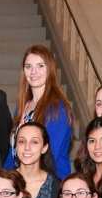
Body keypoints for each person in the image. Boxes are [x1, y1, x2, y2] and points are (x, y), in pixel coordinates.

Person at [4, 46, 73, 178]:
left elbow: (49, 157)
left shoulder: (58, 109)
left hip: (49, 182)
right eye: (28, 66)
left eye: (40, 66)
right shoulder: (22, 109)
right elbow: (12, 151)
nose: (33, 71)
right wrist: (7, 179)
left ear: (50, 69)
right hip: (20, 180)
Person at [12, 122, 60, 198]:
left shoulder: (56, 185)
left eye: (34, 142)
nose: (27, 147)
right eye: (22, 141)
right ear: (16, 146)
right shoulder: (4, 182)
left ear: (44, 147)